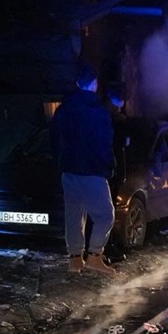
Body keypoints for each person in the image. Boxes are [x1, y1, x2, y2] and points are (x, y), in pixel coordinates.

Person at [50, 63, 117, 275]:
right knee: (105, 215)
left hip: (68, 169)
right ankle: (95, 257)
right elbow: (104, 141)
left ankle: (75, 259)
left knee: (74, 214)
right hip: (92, 170)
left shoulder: (63, 109)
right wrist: (108, 166)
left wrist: (59, 162)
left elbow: (53, 139)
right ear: (94, 83)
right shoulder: (97, 110)